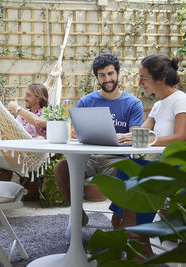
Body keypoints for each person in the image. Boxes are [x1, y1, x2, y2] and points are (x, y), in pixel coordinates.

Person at [114, 54, 186, 258]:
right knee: (128, 167)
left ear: (160, 78)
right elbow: (143, 133)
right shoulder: (160, 104)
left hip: (182, 165)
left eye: (143, 78)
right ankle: (131, 228)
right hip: (164, 163)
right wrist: (122, 136)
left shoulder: (181, 101)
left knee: (143, 175)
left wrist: (142, 139)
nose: (139, 82)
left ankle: (135, 232)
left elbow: (180, 137)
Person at [53, 53, 144, 242]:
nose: (107, 79)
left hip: (117, 159)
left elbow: (136, 136)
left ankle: (125, 222)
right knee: (61, 168)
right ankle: (77, 215)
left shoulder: (133, 103)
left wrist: (121, 136)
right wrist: (78, 133)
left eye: (110, 74)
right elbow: (75, 134)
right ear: (97, 77)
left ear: (118, 74)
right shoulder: (87, 102)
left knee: (129, 172)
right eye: (102, 75)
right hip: (89, 157)